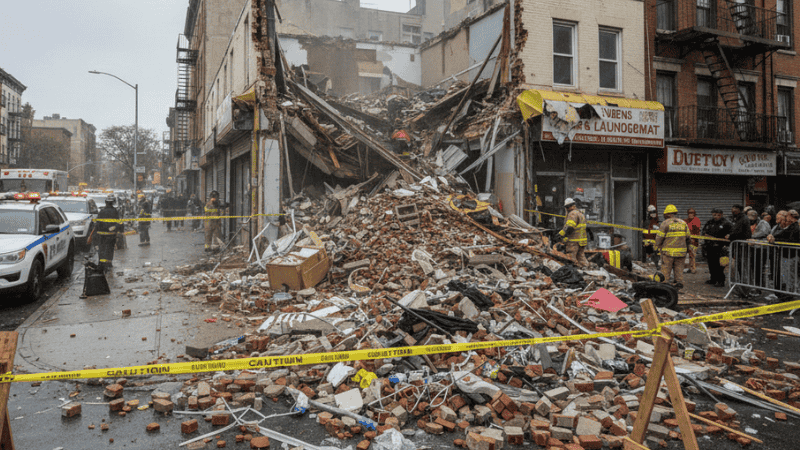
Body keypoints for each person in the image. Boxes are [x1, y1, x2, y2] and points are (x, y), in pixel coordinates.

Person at [655, 204, 691, 289]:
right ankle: (678, 285)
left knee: (666, 270)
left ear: (668, 214)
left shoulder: (665, 223)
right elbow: (688, 237)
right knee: (679, 270)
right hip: (681, 252)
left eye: (664, 214)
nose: (664, 216)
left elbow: (659, 237)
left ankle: (665, 286)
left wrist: (657, 246)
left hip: (668, 252)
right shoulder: (683, 223)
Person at [554, 198, 589, 267]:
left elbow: (570, 227)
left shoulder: (572, 214)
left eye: (567, 207)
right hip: (581, 241)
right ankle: (588, 270)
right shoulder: (580, 213)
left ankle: (573, 273)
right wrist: (561, 233)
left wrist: (563, 236)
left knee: (571, 258)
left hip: (574, 241)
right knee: (581, 257)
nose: (567, 209)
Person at [702, 208, 732, 287]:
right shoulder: (710, 222)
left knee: (720, 265)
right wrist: (704, 235)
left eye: (717, 215)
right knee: (711, 264)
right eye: (714, 214)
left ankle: (720, 281)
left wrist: (728, 237)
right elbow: (704, 231)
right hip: (710, 246)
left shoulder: (726, 223)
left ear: (721, 214)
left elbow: (731, 233)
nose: (715, 216)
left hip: (720, 247)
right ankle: (713, 279)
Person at [96, 195, 120, 272]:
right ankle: (109, 264)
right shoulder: (115, 211)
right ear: (113, 202)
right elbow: (118, 222)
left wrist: (96, 234)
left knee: (102, 248)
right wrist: (115, 228)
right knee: (110, 248)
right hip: (111, 234)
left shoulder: (101, 211)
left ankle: (102, 263)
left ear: (106, 202)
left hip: (102, 234)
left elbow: (98, 223)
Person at [684, 208, 702, 274]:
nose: (690, 214)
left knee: (692, 256)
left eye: (692, 213)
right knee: (683, 255)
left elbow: (697, 229)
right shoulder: (685, 221)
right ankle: (687, 268)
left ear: (694, 214)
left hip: (694, 242)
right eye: (689, 213)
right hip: (686, 241)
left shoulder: (696, 220)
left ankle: (692, 269)